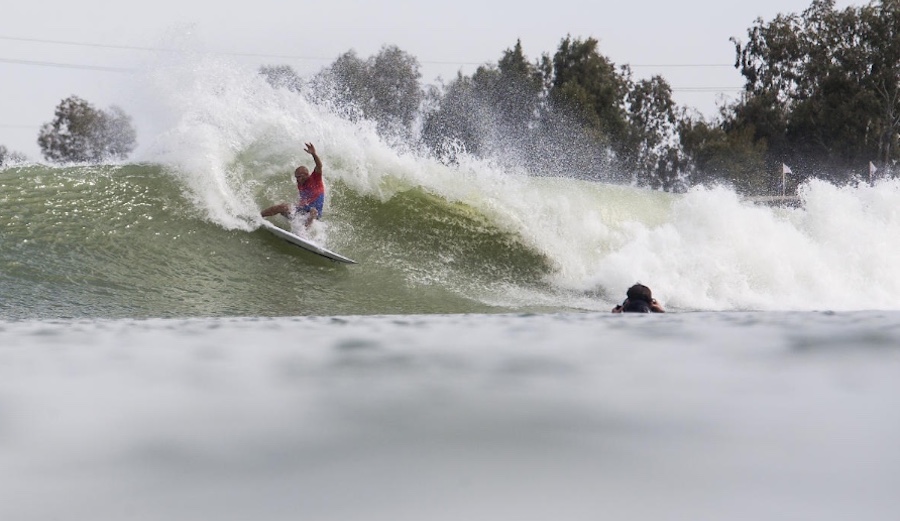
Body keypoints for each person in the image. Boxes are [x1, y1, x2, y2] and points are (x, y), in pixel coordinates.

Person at [261, 142, 325, 228]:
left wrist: (314, 154)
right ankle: (259, 217)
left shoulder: (315, 179)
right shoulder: (300, 184)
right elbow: (303, 202)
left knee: (313, 211)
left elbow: (319, 166)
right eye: (296, 177)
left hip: (314, 216)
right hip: (301, 213)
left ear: (307, 174)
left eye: (300, 177)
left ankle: (303, 234)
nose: (297, 179)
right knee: (282, 207)